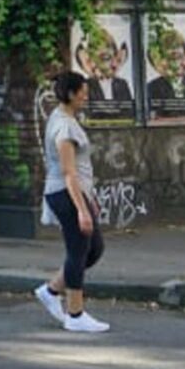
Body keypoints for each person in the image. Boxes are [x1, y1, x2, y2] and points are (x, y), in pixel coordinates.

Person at [36, 68, 110, 334]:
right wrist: (82, 210)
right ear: (70, 94)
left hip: (77, 193)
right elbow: (69, 172)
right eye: (83, 94)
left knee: (94, 249)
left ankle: (51, 290)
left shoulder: (64, 118)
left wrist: (90, 198)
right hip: (66, 194)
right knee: (78, 250)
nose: (86, 98)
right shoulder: (64, 127)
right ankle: (75, 314)